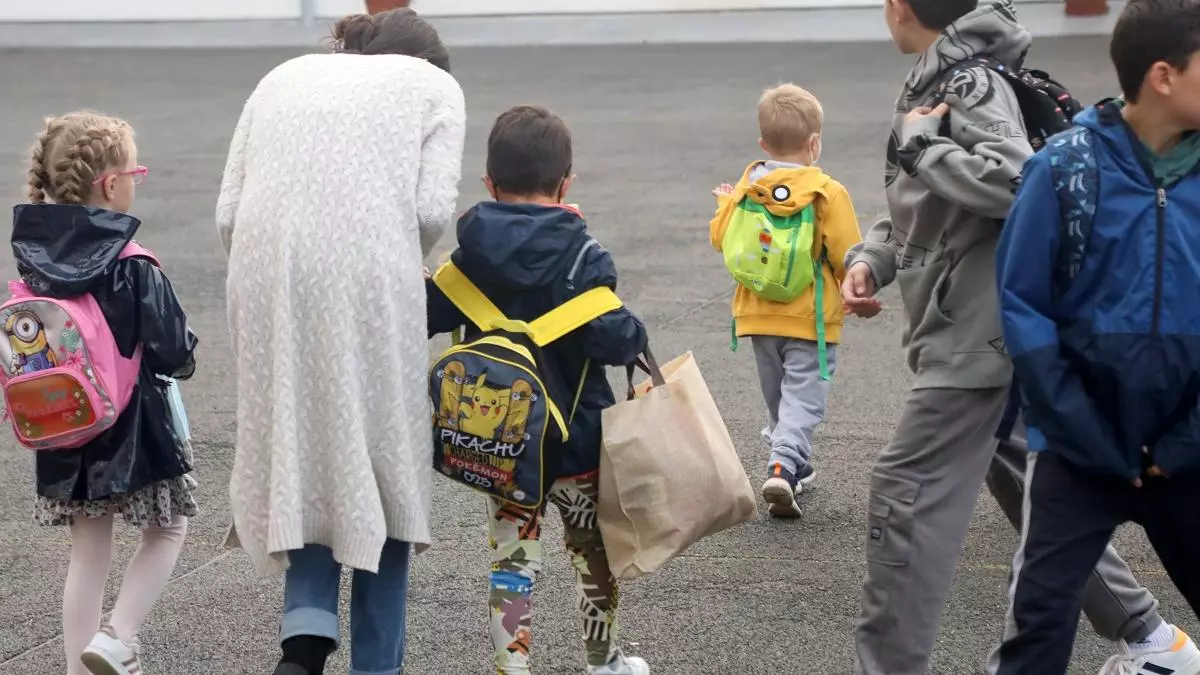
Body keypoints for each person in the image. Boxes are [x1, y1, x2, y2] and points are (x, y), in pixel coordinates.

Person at [840, 0, 1198, 673]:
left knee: (905, 490)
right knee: (1037, 485)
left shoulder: (966, 82)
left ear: (897, 8)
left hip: (979, 336)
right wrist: (874, 257)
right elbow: (926, 212)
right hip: (985, 331)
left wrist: (924, 149)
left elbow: (1020, 179)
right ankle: (1154, 641)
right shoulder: (943, 76)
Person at [214, 9, 465, 675]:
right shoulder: (434, 87)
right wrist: (395, 261)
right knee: (384, 457)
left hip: (264, 271)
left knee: (305, 444)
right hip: (369, 274)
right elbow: (430, 211)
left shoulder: (283, 76)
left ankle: (304, 637)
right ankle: (376, 664)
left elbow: (228, 212)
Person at [988, 1, 1200, 672]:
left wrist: (1184, 440)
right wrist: (1084, 432)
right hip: (1077, 451)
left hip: (1186, 449)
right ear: (1163, 76)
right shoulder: (1063, 167)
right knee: (1039, 626)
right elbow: (1022, 308)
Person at [426, 105, 651, 675]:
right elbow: (617, 340)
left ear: (489, 183)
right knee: (591, 551)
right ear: (566, 183)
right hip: (577, 443)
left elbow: (425, 311)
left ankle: (513, 667)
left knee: (511, 558)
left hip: (504, 447)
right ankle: (604, 661)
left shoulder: (469, 259)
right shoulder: (585, 256)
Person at [16, 111, 199, 675]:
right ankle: (118, 636)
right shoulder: (133, 264)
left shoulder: (34, 262)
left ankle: (79, 668)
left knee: (88, 554)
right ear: (112, 184)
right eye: (135, 173)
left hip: (65, 423)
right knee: (168, 528)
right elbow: (174, 353)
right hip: (135, 428)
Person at [708, 83, 862, 517]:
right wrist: (854, 286)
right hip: (810, 317)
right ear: (814, 144)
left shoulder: (747, 186)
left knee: (779, 397)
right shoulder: (826, 191)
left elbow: (721, 239)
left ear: (763, 144)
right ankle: (782, 465)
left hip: (757, 315)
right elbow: (846, 252)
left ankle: (795, 464)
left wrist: (723, 205)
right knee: (804, 397)